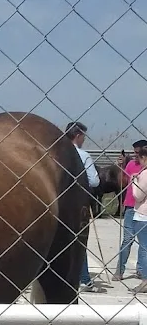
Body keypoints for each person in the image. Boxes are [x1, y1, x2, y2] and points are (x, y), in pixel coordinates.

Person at [65, 122, 100, 292]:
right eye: (83, 136)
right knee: (79, 240)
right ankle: (84, 278)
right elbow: (94, 181)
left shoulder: (55, 153)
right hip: (78, 203)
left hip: (57, 202)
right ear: (78, 136)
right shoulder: (83, 155)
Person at [114, 140, 147, 281]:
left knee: (143, 243)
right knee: (127, 239)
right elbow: (122, 182)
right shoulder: (131, 164)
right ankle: (119, 270)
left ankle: (141, 270)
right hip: (130, 205)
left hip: (142, 207)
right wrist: (121, 167)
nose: (135, 155)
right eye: (134, 152)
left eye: (137, 152)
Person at [129, 147, 147, 294]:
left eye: (140, 159)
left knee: (144, 248)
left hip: (143, 215)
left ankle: (145, 281)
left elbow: (138, 196)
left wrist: (134, 181)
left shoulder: (145, 174)